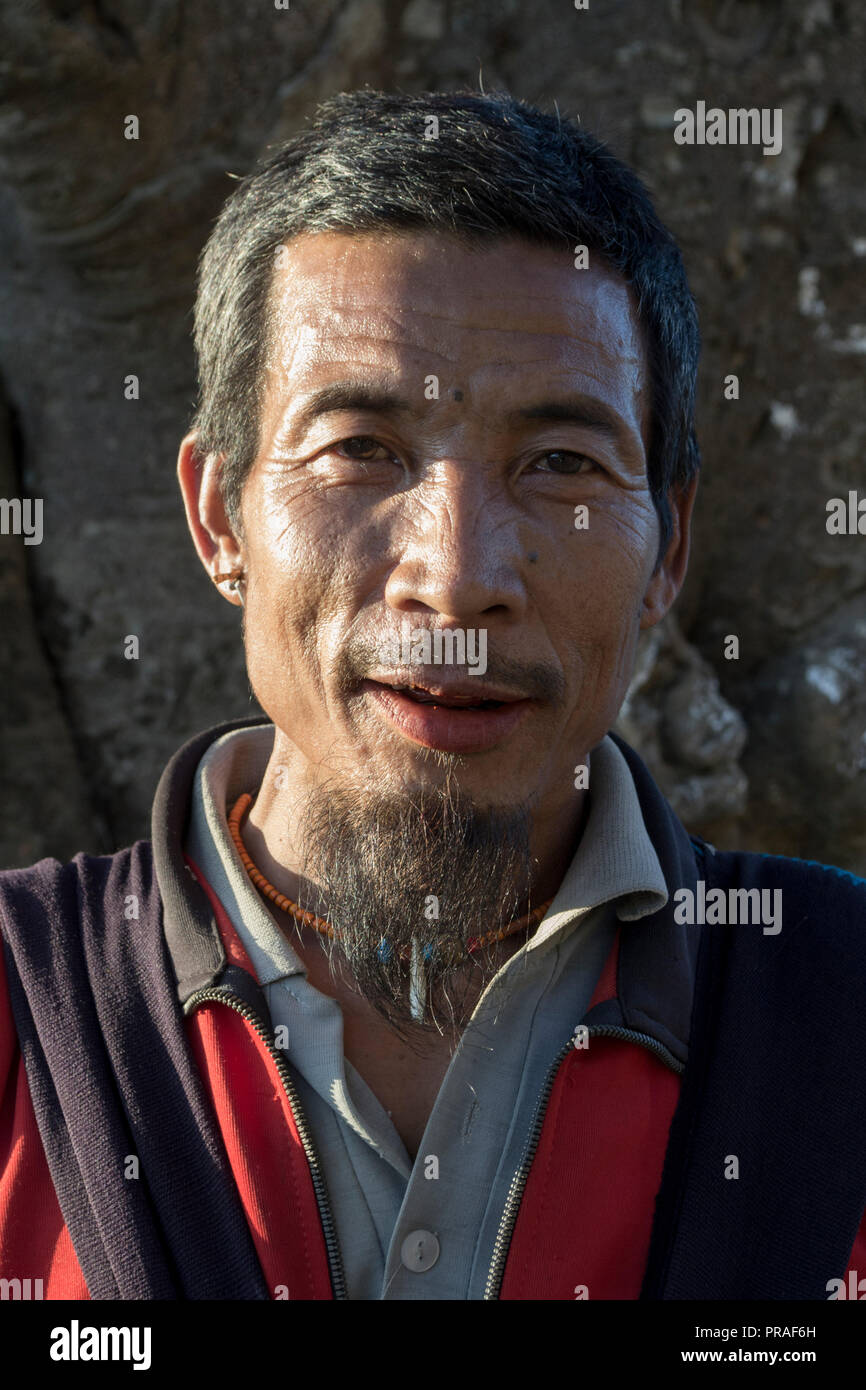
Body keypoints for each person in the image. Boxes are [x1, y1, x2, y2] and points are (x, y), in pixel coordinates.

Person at [1, 89, 864, 1303]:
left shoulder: (837, 1013)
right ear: (215, 516)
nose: (456, 578)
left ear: (667, 549)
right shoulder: (20, 1011)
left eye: (560, 463)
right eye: (359, 447)